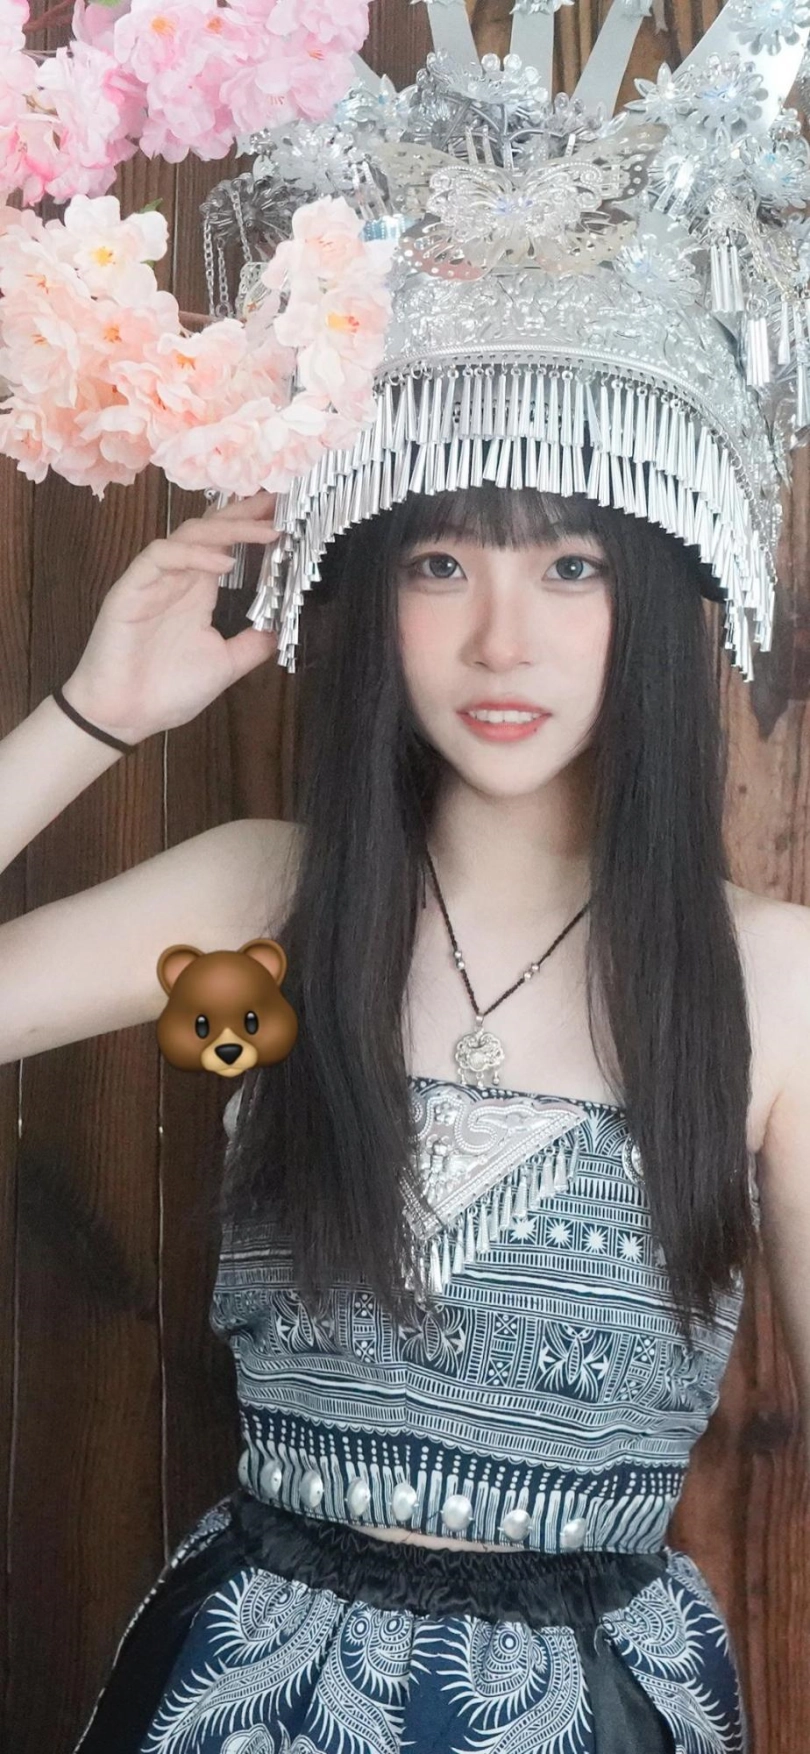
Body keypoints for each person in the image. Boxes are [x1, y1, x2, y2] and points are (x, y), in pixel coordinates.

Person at [1, 472, 809, 1754]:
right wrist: (95, 714)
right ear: (375, 592)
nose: (502, 639)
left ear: (654, 598)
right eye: (442, 565)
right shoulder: (262, 900)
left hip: (597, 1712)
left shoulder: (773, 976)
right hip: (245, 1693)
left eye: (571, 567)